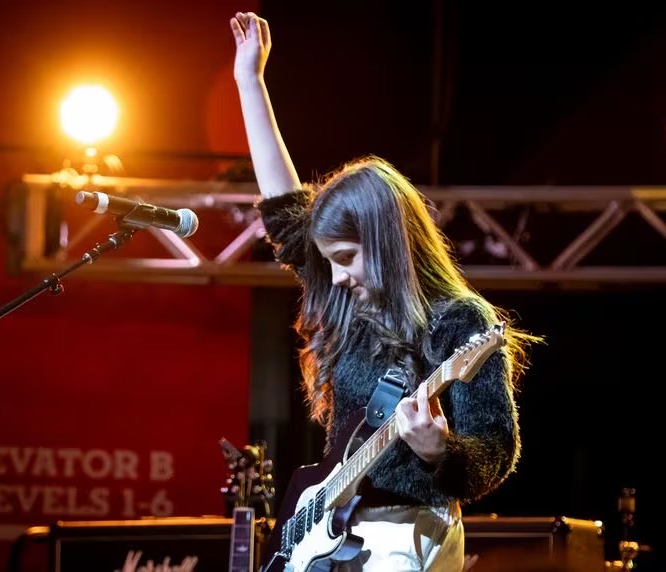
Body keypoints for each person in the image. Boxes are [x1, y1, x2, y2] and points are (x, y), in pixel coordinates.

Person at [229, 11, 541, 572]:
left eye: (346, 259)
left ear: (388, 243)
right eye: (329, 262)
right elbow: (283, 210)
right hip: (329, 525)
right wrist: (250, 81)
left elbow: (494, 450)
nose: (338, 277)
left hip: (409, 529)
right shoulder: (347, 299)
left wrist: (439, 450)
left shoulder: (458, 322)